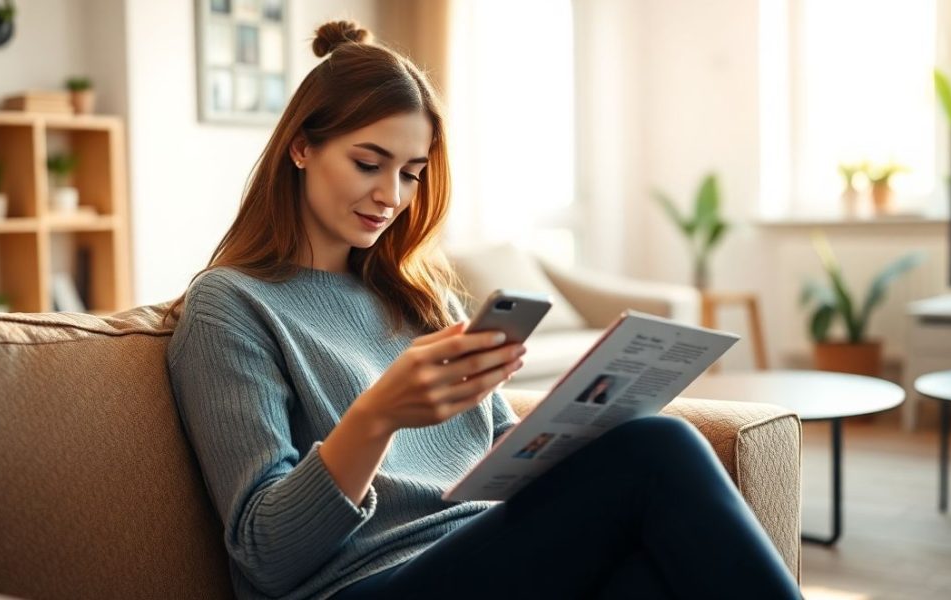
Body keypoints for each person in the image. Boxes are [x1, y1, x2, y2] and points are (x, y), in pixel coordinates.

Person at [166, 20, 802, 600]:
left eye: (412, 173)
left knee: (648, 578)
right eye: (369, 163)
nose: (391, 196)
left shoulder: (421, 299)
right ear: (301, 148)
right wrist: (378, 415)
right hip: (364, 583)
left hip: (481, 558)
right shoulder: (231, 305)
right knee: (657, 446)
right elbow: (266, 556)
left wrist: (575, 425)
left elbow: (497, 459)